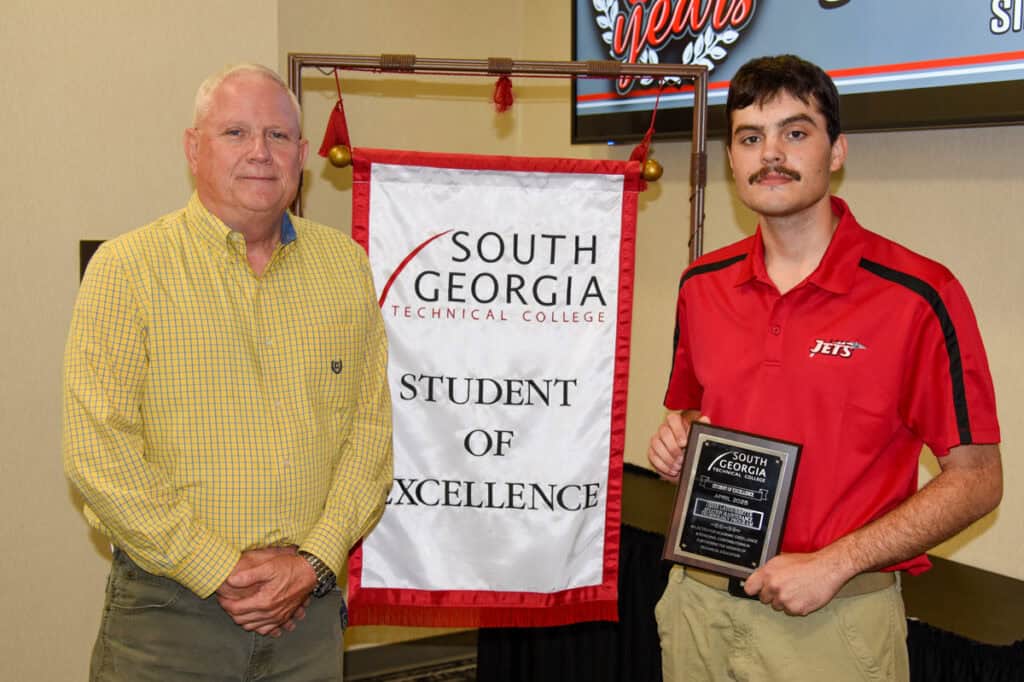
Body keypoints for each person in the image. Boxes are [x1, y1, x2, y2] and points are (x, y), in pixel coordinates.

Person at [648, 55, 1002, 682]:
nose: (771, 154)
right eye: (750, 138)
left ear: (836, 151)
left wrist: (834, 563)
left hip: (831, 622)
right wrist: (678, 440)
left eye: (796, 132)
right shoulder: (700, 285)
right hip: (697, 606)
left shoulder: (918, 296)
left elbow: (977, 481)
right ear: (732, 160)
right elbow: (696, 414)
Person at [63, 63, 393, 681]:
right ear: (194, 149)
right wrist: (216, 566)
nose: (260, 153)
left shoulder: (345, 269)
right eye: (235, 133)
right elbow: (98, 455)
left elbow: (370, 437)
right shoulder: (128, 270)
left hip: (308, 616)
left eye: (277, 136)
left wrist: (313, 562)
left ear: (301, 153)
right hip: (169, 619)